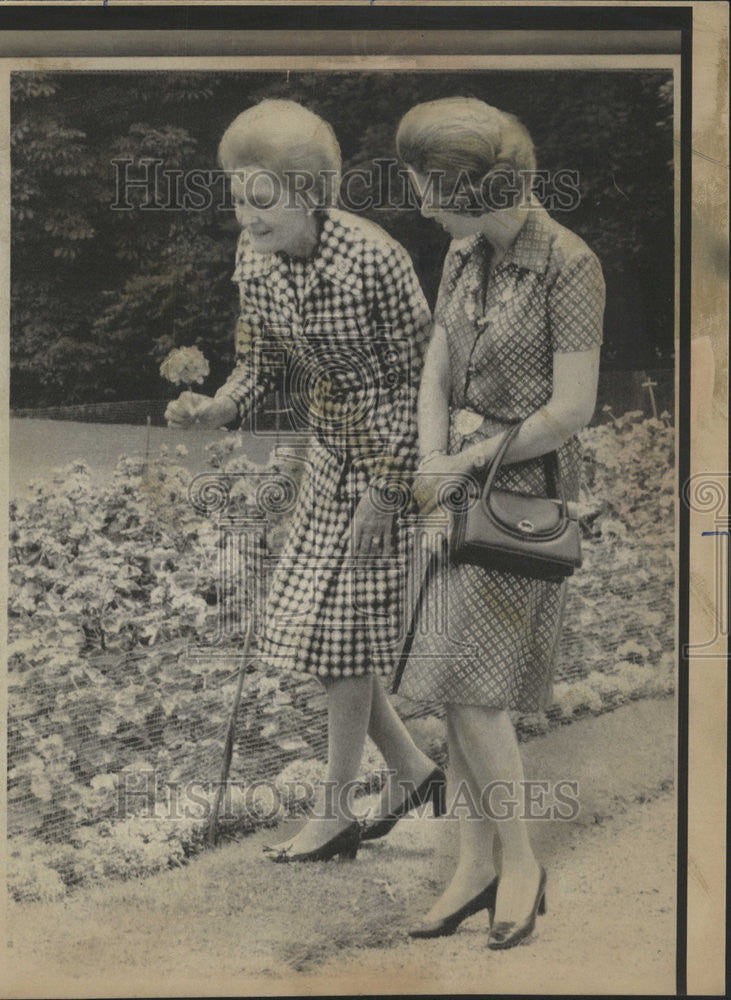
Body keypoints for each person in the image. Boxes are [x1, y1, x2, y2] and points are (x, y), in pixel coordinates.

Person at [166, 99, 443, 862]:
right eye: (235, 199)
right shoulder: (253, 262)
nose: (245, 218)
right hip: (329, 454)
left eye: (260, 201)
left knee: (338, 636)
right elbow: (258, 364)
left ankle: (335, 812)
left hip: (399, 452)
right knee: (325, 633)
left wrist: (387, 493)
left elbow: (425, 381)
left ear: (310, 194)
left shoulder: (374, 256)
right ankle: (414, 773)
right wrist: (215, 407)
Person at [393, 97, 605, 948]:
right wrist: (432, 469)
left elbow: (572, 409)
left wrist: (466, 463)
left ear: (465, 186)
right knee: (450, 687)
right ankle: (474, 865)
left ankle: (517, 862)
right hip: (456, 481)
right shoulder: (460, 250)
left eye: (424, 188)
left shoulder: (568, 264)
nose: (418, 205)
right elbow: (437, 366)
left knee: (473, 694)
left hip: (523, 491)